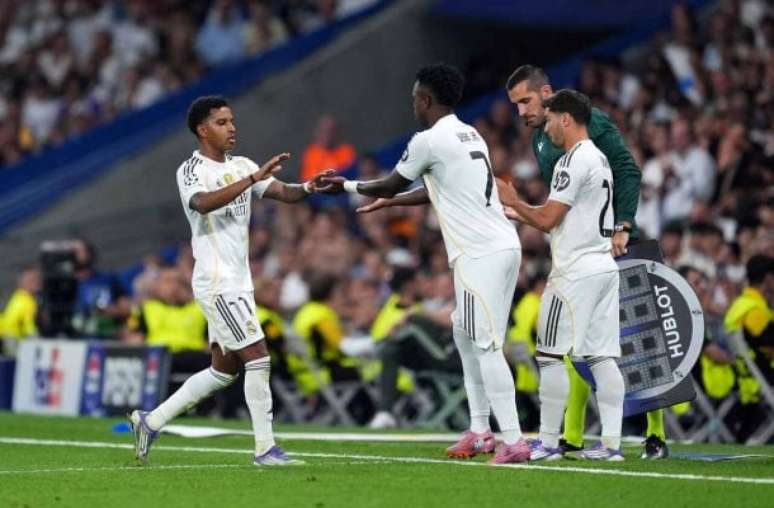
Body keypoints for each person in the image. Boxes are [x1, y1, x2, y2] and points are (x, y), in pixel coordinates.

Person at [324, 63, 530, 464]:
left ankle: (514, 440)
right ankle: (479, 430)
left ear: (424, 100)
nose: (413, 106)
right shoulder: (470, 134)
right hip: (503, 245)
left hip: (478, 253)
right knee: (464, 332)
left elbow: (390, 182)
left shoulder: (428, 140)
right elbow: (436, 188)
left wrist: (346, 185)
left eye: (414, 99)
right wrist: (392, 202)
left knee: (486, 344)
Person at [128, 95, 331, 467]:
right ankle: (265, 449)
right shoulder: (191, 170)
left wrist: (307, 187)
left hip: (240, 282)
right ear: (202, 130)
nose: (232, 128)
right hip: (217, 282)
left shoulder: (242, 165)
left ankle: (150, 421)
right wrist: (251, 179)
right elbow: (202, 203)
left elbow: (282, 192)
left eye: (232, 121)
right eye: (222, 122)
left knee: (223, 372)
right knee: (259, 357)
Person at [505, 65, 668, 460]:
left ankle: (652, 433)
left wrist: (623, 224)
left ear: (549, 97)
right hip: (593, 251)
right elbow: (563, 205)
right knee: (595, 353)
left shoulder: (587, 128)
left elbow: (626, 169)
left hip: (607, 245)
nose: (522, 112)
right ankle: (591, 440)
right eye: (516, 105)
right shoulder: (547, 141)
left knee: (635, 340)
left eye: (526, 101)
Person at [497, 89, 626, 461]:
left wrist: (514, 201)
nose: (547, 126)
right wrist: (522, 212)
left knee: (550, 355)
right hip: (603, 267)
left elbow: (549, 219)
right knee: (601, 357)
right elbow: (564, 218)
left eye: (551, 118)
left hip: (574, 274)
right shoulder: (598, 158)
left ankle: (549, 442)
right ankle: (612, 446)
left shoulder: (573, 161)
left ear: (566, 118)